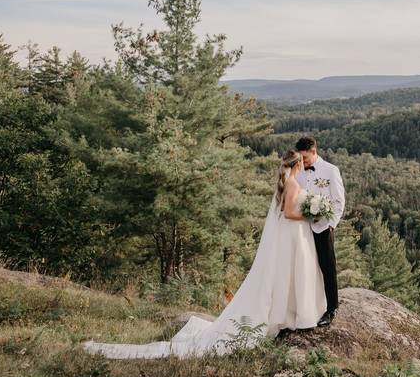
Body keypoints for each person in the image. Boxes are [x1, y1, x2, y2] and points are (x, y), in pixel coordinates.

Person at [81, 150, 326, 358]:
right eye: (301, 163)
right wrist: (310, 212)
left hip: (290, 238)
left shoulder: (285, 183)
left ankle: (286, 315)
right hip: (294, 234)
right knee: (291, 274)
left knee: (285, 275)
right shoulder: (293, 184)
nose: (304, 165)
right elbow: (290, 214)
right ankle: (289, 316)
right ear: (296, 165)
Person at [295, 136, 346, 327]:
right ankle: (308, 307)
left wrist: (331, 224)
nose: (302, 162)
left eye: (305, 158)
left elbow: (339, 201)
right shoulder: (297, 171)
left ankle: (331, 309)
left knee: (328, 267)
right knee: (304, 268)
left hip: (324, 227)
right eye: (300, 159)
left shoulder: (331, 170)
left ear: (314, 152)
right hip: (301, 229)